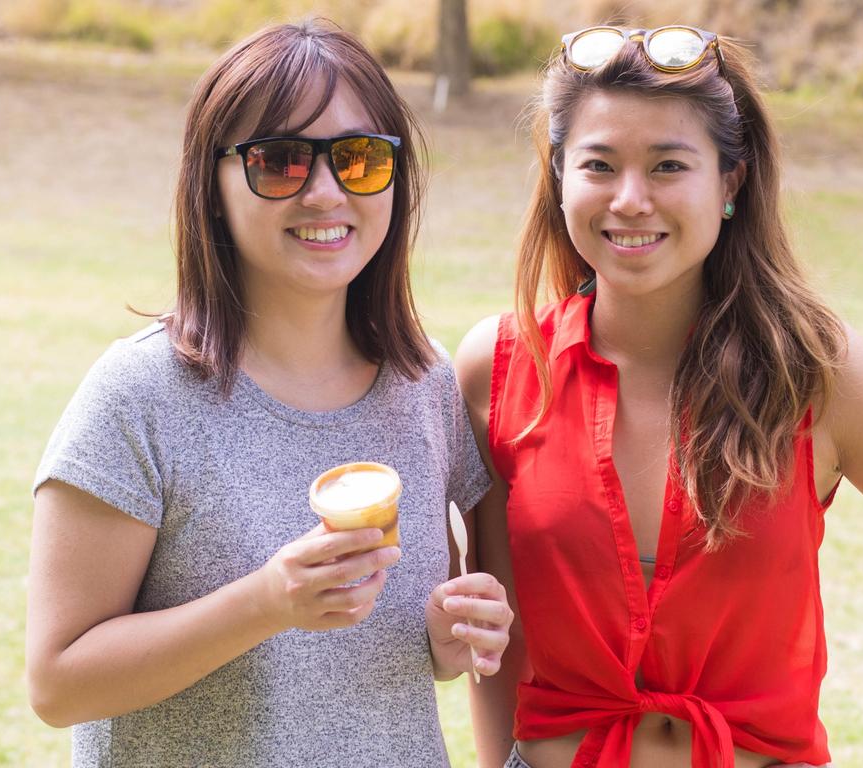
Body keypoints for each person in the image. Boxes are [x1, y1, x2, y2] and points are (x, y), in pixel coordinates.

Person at [456, 23, 863, 768]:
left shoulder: (817, 372)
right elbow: (496, 635)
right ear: (558, 177)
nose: (631, 200)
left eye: (669, 165)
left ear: (730, 182)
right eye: (599, 165)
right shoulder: (502, 368)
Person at [26, 19, 512, 767]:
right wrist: (263, 605)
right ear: (212, 186)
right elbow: (58, 684)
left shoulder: (425, 383)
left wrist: (450, 637)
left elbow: (415, 640)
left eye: (358, 159)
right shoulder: (139, 396)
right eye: (280, 161)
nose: (325, 191)